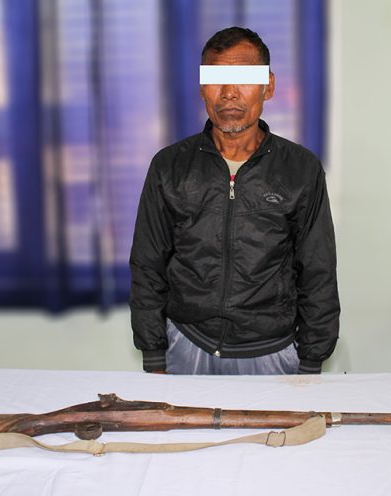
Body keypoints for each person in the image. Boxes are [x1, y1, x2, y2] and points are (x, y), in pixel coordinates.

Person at [129, 27, 339, 375]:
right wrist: (153, 353)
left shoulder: (300, 169)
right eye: (216, 79)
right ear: (202, 88)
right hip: (187, 345)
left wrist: (312, 358)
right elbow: (147, 264)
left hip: (273, 351)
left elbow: (317, 269)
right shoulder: (170, 166)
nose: (228, 93)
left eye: (244, 78)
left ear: (267, 86)